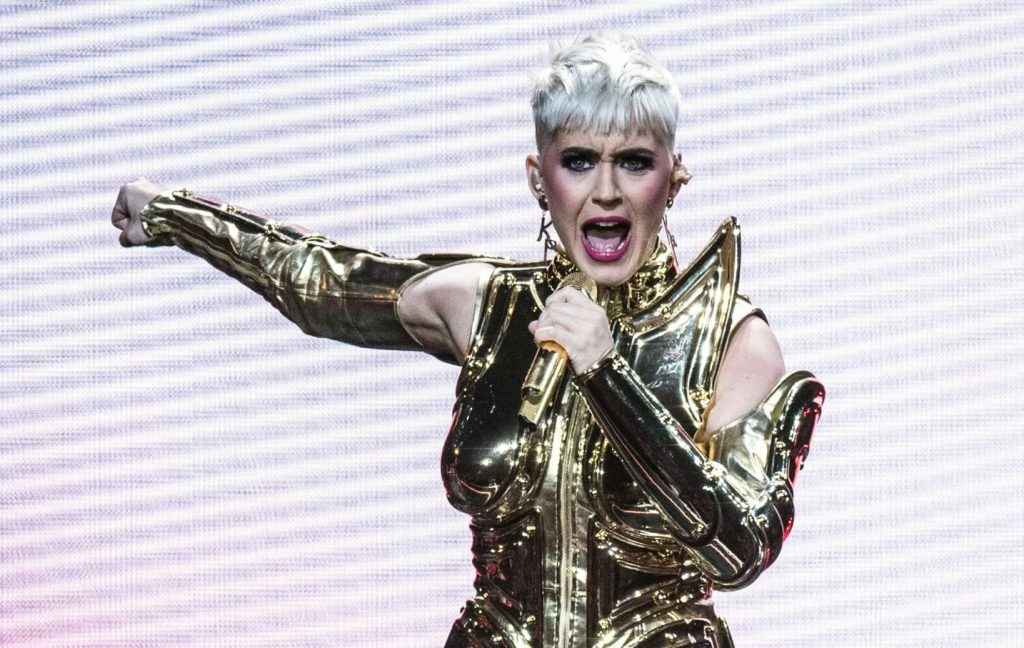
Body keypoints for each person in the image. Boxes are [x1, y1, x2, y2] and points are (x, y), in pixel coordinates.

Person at [111, 32, 825, 648]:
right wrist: (178, 216)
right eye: (579, 160)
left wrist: (606, 372)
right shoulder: (488, 307)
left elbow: (742, 549)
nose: (606, 190)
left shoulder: (730, 338)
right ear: (539, 179)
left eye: (634, 161)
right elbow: (326, 283)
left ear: (674, 177)